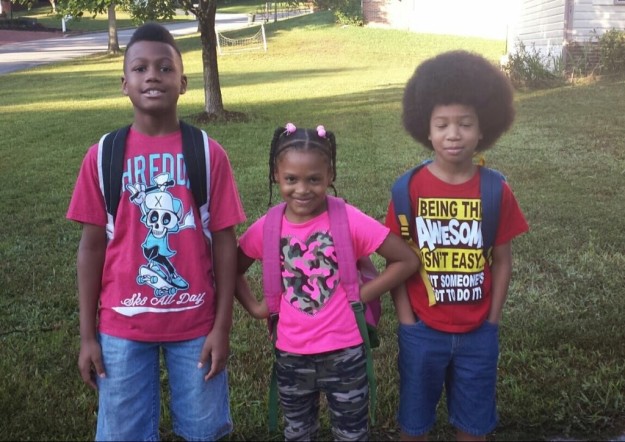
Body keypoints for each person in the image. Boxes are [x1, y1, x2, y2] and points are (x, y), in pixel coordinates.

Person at [66, 23, 246, 441]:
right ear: (124, 83)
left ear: (182, 83)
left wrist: (222, 327)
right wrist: (88, 336)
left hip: (196, 324)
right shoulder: (103, 155)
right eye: (140, 68)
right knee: (122, 433)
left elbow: (225, 243)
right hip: (121, 328)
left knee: (203, 431)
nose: (152, 76)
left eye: (165, 68)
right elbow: (91, 249)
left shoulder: (207, 153)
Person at [234, 123, 419, 441]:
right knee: (298, 432)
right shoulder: (268, 227)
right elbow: (232, 268)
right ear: (276, 175)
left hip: (345, 353)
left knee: (352, 434)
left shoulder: (349, 220)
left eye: (314, 179)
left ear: (330, 175)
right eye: (291, 179)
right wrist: (255, 307)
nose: (302, 189)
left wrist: (361, 294)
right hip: (291, 355)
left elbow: (407, 260)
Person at [386, 50, 529, 441]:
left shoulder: (496, 190)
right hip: (422, 332)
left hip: (478, 333)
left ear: (483, 128)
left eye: (465, 124)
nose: (453, 134)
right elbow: (396, 261)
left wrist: (492, 321)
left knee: (473, 425)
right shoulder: (407, 190)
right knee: (414, 424)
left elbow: (502, 261)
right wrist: (407, 322)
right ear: (426, 129)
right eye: (442, 124)